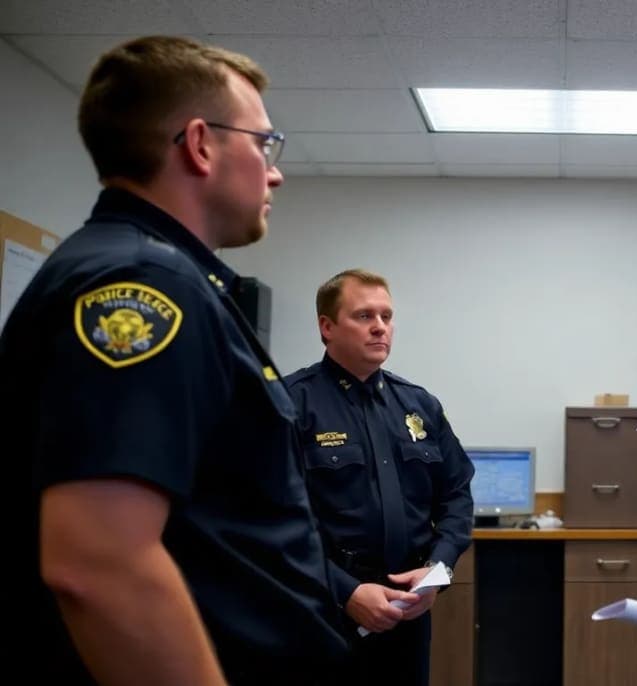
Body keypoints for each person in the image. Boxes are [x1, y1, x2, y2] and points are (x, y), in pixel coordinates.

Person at [6, 36, 349, 684]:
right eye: (264, 144)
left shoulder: (153, 271)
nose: (275, 172)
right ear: (199, 144)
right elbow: (99, 562)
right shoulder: (144, 285)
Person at [286, 268, 475, 686]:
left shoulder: (419, 405)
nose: (379, 328)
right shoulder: (290, 404)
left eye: (387, 317)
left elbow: (457, 496)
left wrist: (438, 571)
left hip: (408, 608)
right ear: (327, 327)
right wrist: (346, 591)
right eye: (364, 316)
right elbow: (275, 518)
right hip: (324, 607)